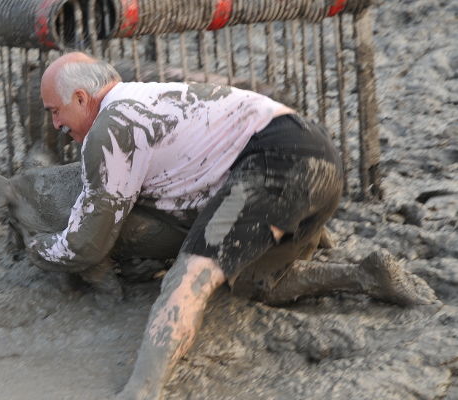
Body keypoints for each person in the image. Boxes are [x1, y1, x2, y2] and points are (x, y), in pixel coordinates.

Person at [25, 51, 437, 400]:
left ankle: (141, 390)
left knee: (190, 278)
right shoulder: (147, 97)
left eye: (56, 112)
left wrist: (38, 248)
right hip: (318, 158)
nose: (58, 125)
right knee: (252, 283)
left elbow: (88, 243)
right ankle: (365, 275)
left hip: (278, 165)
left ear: (81, 98)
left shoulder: (111, 126)